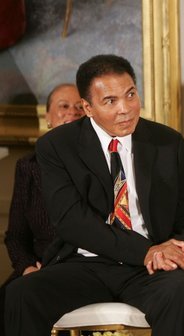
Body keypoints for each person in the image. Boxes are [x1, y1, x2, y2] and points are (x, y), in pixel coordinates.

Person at [4, 54, 184, 336]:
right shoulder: (58, 146)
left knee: (180, 287)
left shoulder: (167, 142)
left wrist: (177, 248)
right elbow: (72, 222)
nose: (126, 109)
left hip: (149, 269)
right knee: (21, 293)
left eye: (131, 94)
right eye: (110, 101)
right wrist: (144, 250)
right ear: (88, 107)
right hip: (85, 264)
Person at [0, 83, 84, 336]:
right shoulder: (28, 166)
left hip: (81, 269)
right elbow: (15, 236)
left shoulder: (99, 163)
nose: (72, 113)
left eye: (80, 108)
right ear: (47, 117)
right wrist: (27, 268)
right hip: (36, 267)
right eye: (64, 107)